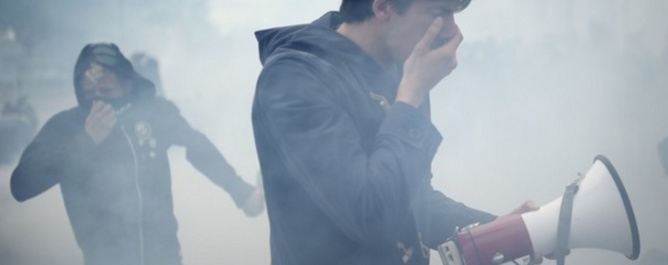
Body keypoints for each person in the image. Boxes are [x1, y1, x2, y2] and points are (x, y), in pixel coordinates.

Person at [252, 0, 541, 264]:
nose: (452, 31)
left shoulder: (401, 71)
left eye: (455, 13)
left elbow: (414, 202)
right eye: (439, 12)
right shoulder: (294, 79)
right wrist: (410, 98)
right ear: (383, 8)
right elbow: (371, 215)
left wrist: (500, 230)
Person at [10, 43, 264, 265]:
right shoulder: (66, 126)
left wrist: (241, 192)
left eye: (107, 93)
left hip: (164, 256)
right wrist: (86, 141)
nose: (99, 102)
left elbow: (197, 146)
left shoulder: (154, 112)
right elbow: (21, 186)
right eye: (90, 95)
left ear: (128, 85)